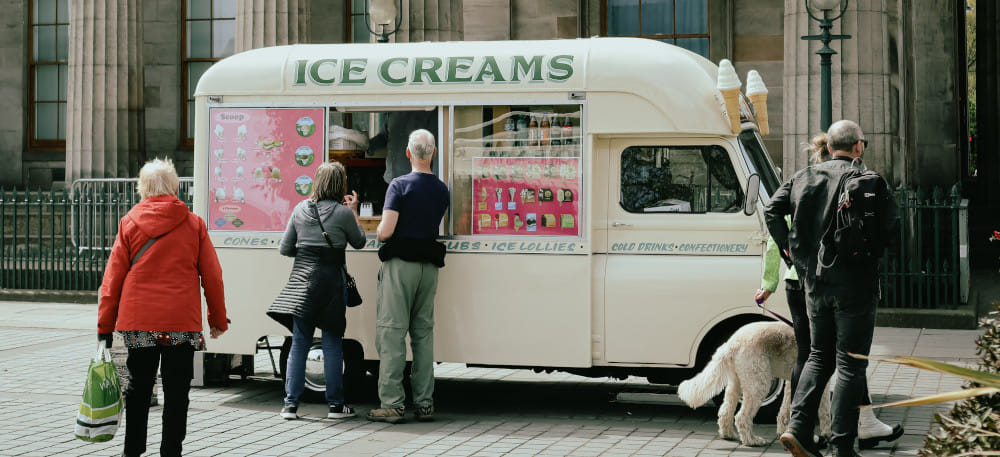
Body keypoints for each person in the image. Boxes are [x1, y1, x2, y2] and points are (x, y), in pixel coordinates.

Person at [756, 133, 903, 451]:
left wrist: (789, 252)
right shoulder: (867, 179)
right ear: (857, 147)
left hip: (814, 284)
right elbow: (893, 230)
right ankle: (841, 446)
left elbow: (771, 210)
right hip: (856, 286)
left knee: (818, 357)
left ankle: (798, 428)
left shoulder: (802, 177)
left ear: (829, 146)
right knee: (851, 363)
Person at [97, 158, 228, 457]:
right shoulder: (194, 224)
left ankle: (132, 451)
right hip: (181, 325)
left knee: (139, 389)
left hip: (139, 322)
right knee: (178, 392)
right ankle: (171, 451)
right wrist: (217, 318)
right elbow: (213, 277)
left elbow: (112, 279)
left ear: (143, 187)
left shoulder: (129, 222)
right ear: (174, 187)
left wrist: (104, 326)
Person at [267, 161, 366, 420]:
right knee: (333, 343)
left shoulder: (300, 209)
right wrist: (353, 211)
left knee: (300, 343)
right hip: (332, 283)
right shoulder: (342, 213)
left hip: (302, 283)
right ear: (340, 185)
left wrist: (307, 248)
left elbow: (284, 248)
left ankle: (290, 405)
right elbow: (359, 242)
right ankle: (336, 406)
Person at [366, 129, 450, 424]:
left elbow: (386, 231)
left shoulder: (399, 185)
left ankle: (392, 403)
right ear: (434, 154)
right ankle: (425, 403)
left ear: (407, 153)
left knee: (391, 332)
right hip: (429, 267)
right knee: (423, 335)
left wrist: (376, 231)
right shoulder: (442, 189)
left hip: (401, 265)